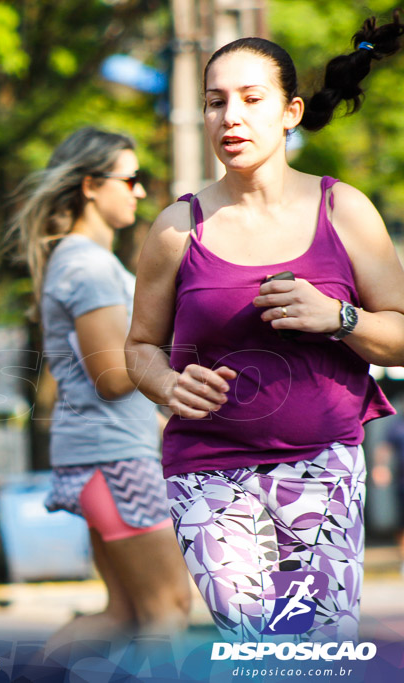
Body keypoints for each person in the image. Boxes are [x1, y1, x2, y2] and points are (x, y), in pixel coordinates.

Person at [125, 15, 404, 643]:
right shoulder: (177, 227)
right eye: (215, 102)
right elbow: (139, 347)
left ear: (290, 111)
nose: (230, 117)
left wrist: (338, 317)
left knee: (319, 647)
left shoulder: (344, 209)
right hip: (208, 469)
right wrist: (167, 386)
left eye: (251, 100)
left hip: (324, 464)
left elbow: (401, 334)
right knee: (259, 643)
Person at [11, 127, 190, 650]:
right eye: (130, 179)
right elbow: (112, 376)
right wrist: (175, 372)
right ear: (91, 184)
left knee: (126, 615)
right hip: (113, 460)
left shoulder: (82, 260)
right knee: (168, 609)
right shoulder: (86, 264)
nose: (138, 191)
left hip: (105, 454)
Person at [372, 415, 404, 576]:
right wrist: (380, 467)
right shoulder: (397, 425)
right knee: (402, 525)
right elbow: (385, 448)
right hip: (402, 482)